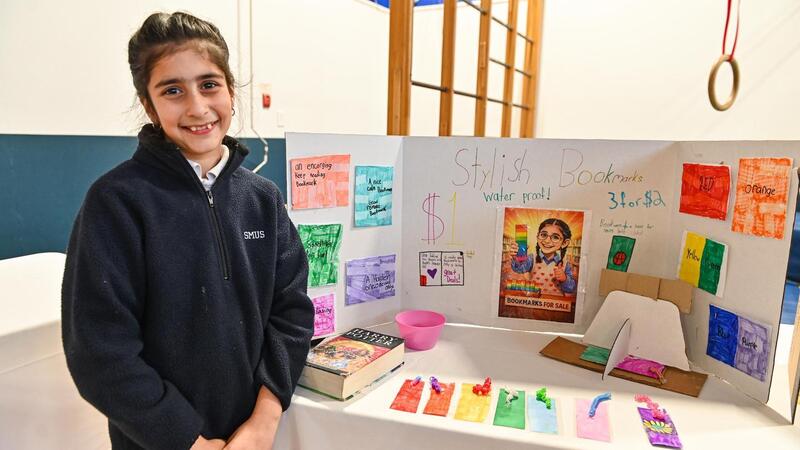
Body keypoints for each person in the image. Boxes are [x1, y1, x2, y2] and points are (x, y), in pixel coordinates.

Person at [61, 12, 314, 450]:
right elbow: (100, 351)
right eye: (173, 90)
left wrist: (264, 419)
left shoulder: (263, 200)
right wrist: (187, 442)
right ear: (149, 105)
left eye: (209, 84)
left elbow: (291, 312)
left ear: (231, 92)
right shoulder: (116, 202)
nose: (197, 107)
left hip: (254, 436)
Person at [508, 218, 577, 296]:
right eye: (544, 235)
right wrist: (516, 258)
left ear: (564, 243)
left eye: (555, 237)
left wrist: (564, 279)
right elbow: (520, 269)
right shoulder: (532, 258)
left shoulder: (565, 264)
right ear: (538, 236)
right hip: (535, 300)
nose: (547, 241)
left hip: (556, 303)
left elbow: (571, 288)